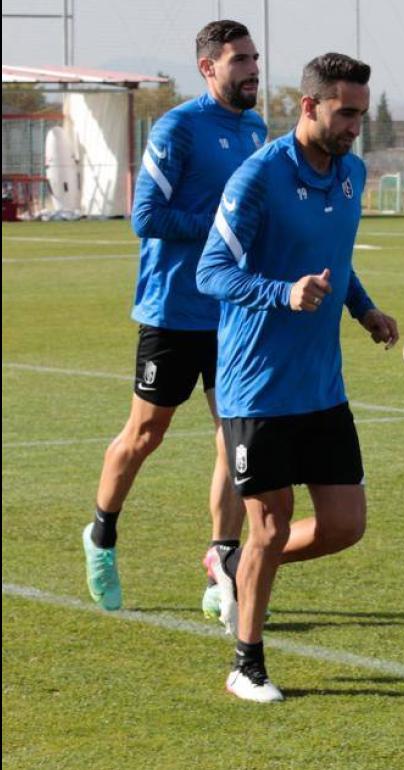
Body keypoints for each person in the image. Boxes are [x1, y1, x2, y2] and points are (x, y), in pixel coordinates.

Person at [197, 52, 399, 702]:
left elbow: (333, 259)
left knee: (345, 525)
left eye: (361, 115)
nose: (354, 128)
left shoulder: (353, 173)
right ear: (308, 106)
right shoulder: (257, 178)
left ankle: (233, 565)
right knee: (270, 525)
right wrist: (282, 294)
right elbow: (212, 272)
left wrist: (363, 308)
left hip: (321, 386)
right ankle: (246, 665)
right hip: (256, 385)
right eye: (345, 113)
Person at [80, 20, 264, 619]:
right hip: (173, 310)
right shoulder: (178, 128)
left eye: (255, 59)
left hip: (231, 311)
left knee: (234, 437)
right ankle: (102, 535)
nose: (252, 70)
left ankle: (221, 564)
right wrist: (216, 228)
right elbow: (145, 216)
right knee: (145, 435)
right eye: (239, 60)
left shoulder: (257, 129)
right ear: (209, 67)